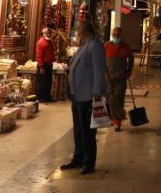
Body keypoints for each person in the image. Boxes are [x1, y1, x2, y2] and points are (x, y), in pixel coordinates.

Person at [61, 20, 106, 175]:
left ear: (85, 30)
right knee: (78, 129)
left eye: (78, 29)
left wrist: (97, 92)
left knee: (87, 131)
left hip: (87, 96)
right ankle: (78, 157)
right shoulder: (84, 45)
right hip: (77, 95)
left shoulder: (95, 45)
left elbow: (99, 71)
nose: (77, 32)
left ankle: (89, 162)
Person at [105, 26, 135, 131]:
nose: (116, 37)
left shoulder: (126, 47)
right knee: (108, 99)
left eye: (118, 35)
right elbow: (101, 61)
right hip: (107, 79)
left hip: (120, 80)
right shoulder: (106, 46)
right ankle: (110, 118)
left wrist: (129, 72)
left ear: (122, 35)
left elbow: (131, 59)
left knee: (119, 100)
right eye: (114, 35)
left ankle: (117, 122)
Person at [35, 27, 56, 102]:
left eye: (50, 33)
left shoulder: (50, 42)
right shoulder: (41, 42)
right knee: (42, 83)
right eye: (47, 33)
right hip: (43, 65)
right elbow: (39, 56)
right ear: (43, 33)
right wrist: (41, 67)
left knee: (48, 82)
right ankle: (40, 98)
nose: (49, 34)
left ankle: (47, 97)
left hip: (49, 65)